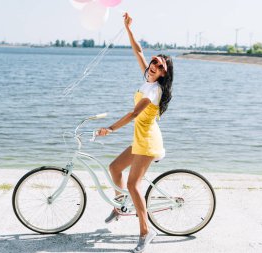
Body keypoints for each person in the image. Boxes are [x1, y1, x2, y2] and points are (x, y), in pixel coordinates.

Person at [97, 12, 174, 253]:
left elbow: (133, 115)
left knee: (133, 186)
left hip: (148, 143)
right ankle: (120, 206)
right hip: (141, 139)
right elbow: (139, 52)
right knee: (114, 168)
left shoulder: (153, 92)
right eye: (154, 62)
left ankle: (145, 232)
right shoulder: (147, 80)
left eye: (159, 66)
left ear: (164, 73)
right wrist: (129, 29)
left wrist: (109, 128)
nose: (153, 65)